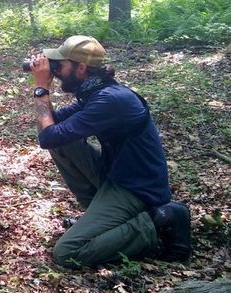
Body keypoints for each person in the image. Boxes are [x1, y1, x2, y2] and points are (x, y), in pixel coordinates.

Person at [28, 35, 191, 268]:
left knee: (67, 253)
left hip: (136, 188)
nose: (55, 71)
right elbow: (51, 128)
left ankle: (159, 220)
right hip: (115, 176)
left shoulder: (112, 100)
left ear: (81, 68)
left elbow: (47, 135)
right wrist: (43, 87)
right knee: (60, 139)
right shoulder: (93, 92)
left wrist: (41, 88)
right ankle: (103, 215)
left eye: (59, 65)